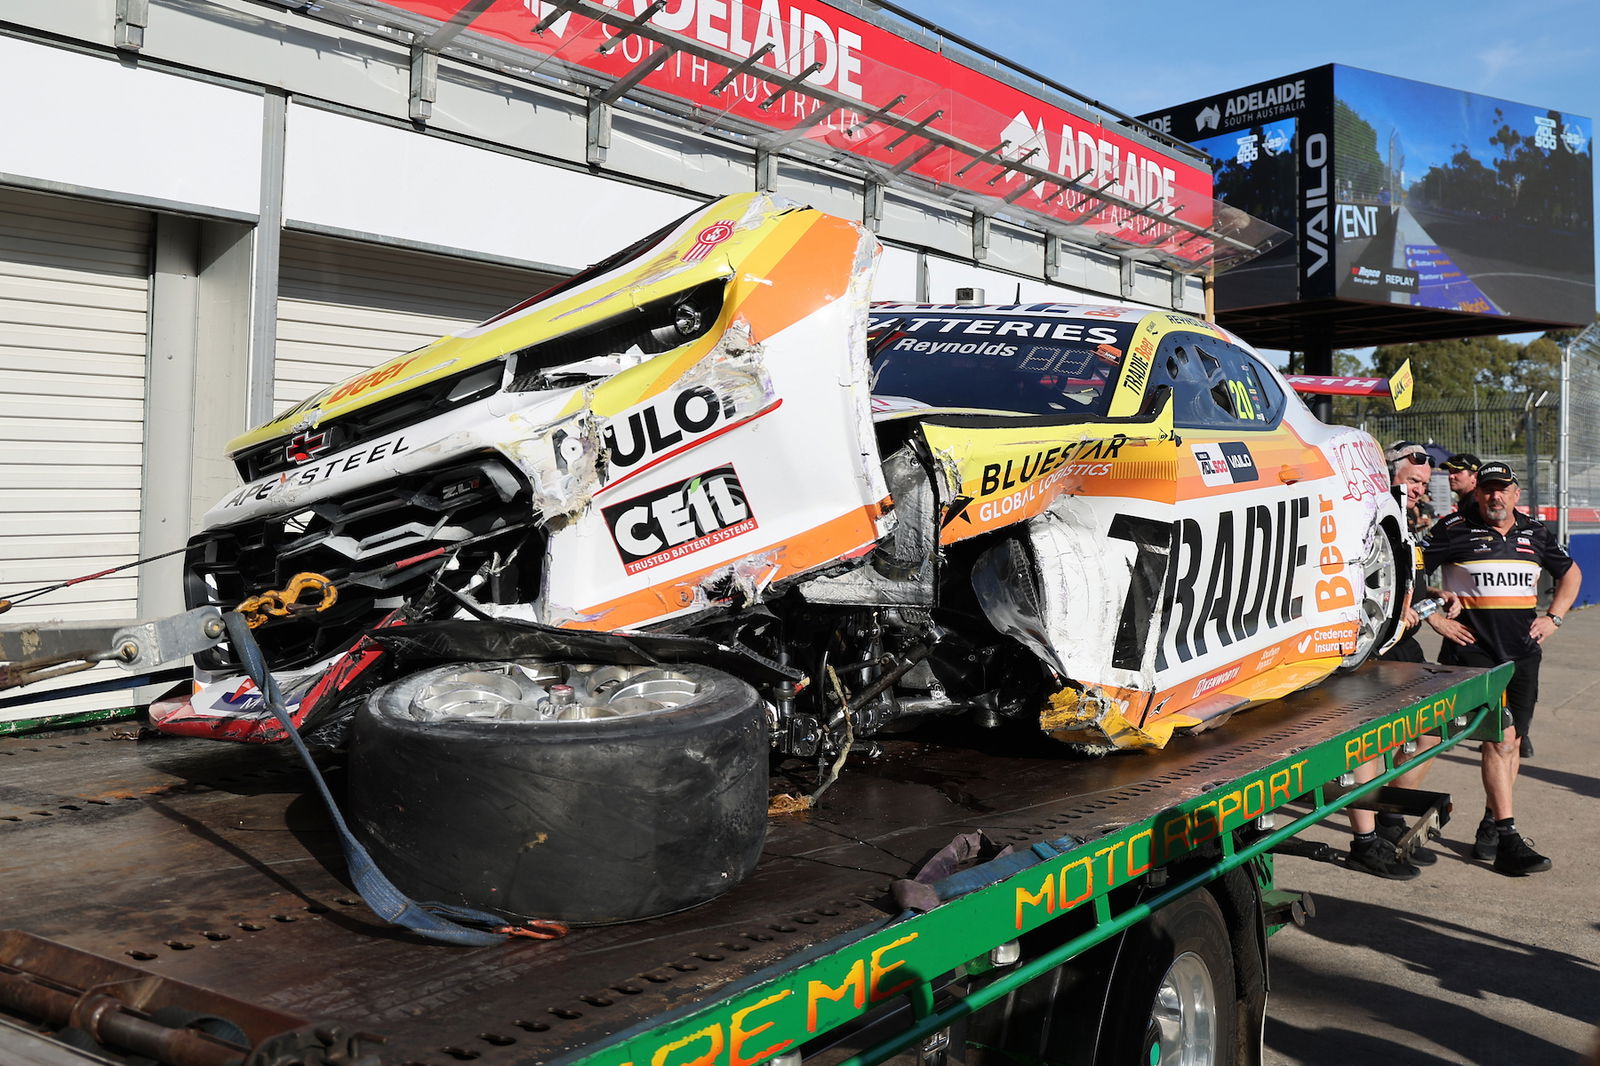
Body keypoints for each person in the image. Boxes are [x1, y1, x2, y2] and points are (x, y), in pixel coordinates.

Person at [1422, 461, 1582, 875]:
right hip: (1473, 652)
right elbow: (1412, 570)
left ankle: (1491, 825)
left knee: (1513, 742)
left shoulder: (1535, 532)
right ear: (1478, 493)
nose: (1495, 497)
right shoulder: (1453, 527)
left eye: (1503, 489)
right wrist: (1434, 617)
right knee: (1499, 739)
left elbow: (1571, 575)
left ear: (1515, 494)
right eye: (1488, 489)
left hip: (1524, 652)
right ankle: (1506, 833)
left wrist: (1555, 617)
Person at [1345, 448, 1461, 878]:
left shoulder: (1407, 521)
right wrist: (1390, 616)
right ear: (1389, 477)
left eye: (1424, 484)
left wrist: (1434, 601)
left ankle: (1389, 817)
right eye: (1412, 481)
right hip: (1371, 649)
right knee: (1369, 745)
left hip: (1405, 645)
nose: (1420, 491)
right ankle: (1365, 839)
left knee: (1429, 731)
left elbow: (1407, 586)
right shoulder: (1366, 516)